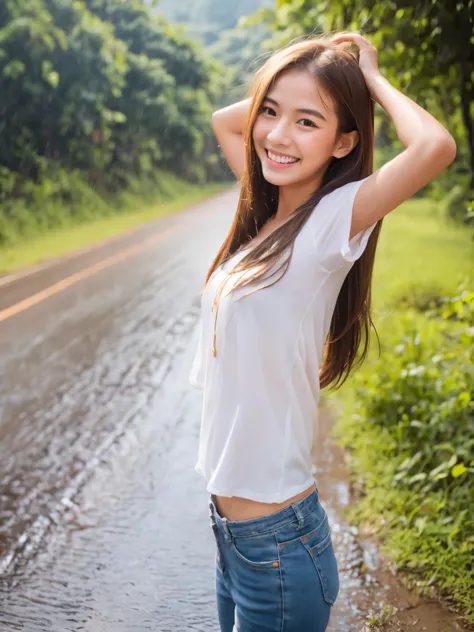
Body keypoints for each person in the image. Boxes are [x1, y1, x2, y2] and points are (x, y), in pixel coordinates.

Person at [188, 31, 456, 632]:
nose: (278, 136)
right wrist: (309, 63)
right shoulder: (267, 218)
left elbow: (435, 146)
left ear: (345, 143)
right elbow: (227, 122)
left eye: (308, 123)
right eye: (273, 113)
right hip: (234, 538)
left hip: (277, 545)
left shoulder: (331, 224)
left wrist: (369, 77)